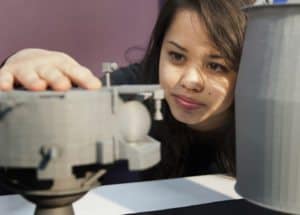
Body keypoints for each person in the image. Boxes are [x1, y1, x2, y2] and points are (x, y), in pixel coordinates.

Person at [0, 0, 255, 181]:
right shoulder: (131, 91)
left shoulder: (273, 132)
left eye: (215, 66)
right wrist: (17, 70)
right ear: (159, 50)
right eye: (177, 56)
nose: (189, 81)